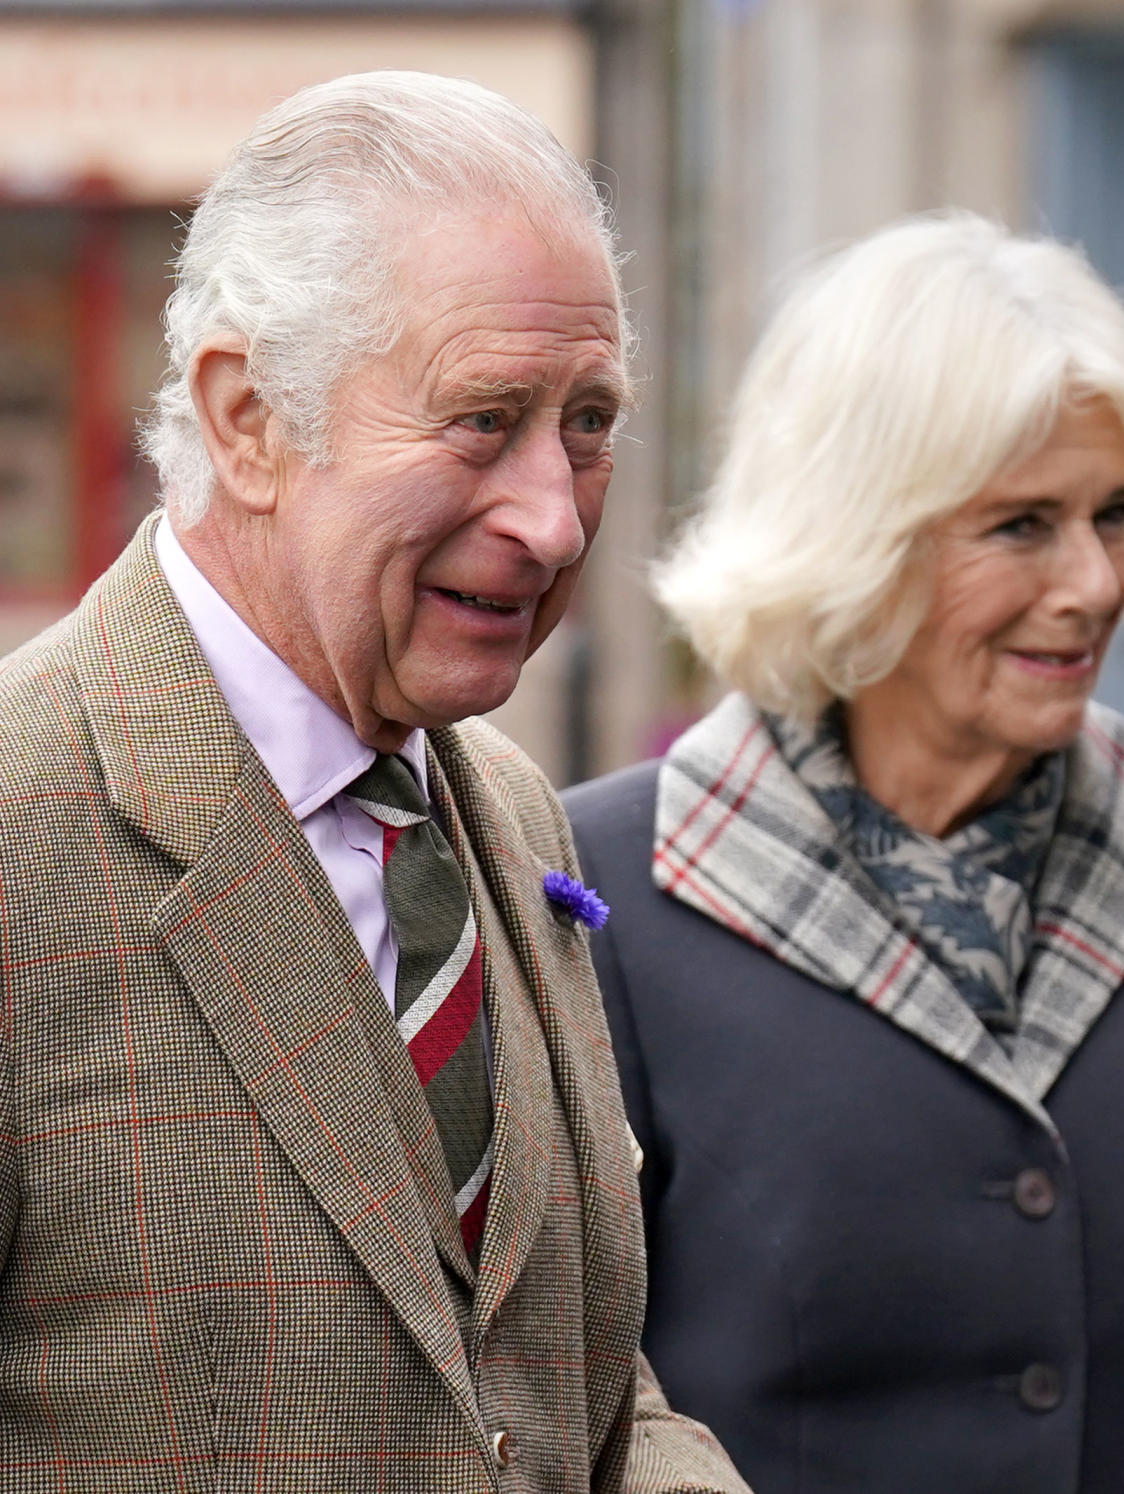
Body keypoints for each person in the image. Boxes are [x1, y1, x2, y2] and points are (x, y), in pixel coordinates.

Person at [0, 71, 749, 1494]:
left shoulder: (508, 810)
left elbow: (555, 1391)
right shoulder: (19, 831)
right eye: (483, 419)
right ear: (247, 418)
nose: (549, 513)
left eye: (587, 420)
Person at [564, 212, 1124, 1494]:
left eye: (1115, 513)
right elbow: (552, 1406)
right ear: (857, 538)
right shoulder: (601, 898)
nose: (1096, 581)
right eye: (1022, 525)